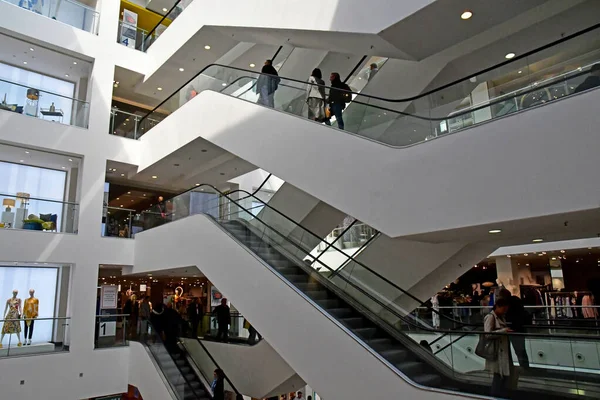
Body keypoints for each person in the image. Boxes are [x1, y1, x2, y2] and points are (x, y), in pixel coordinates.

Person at [484, 297, 513, 398]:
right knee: (498, 375)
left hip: (503, 350)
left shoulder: (500, 317)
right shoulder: (490, 317)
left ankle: (500, 395)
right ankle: (496, 396)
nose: (505, 311)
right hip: (496, 351)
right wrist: (503, 331)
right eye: (504, 309)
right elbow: (487, 334)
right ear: (498, 307)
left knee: (502, 375)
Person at [499, 289, 530, 369]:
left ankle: (510, 368)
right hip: (519, 329)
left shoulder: (507, 304)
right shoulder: (517, 301)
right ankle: (525, 367)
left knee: (510, 350)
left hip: (512, 329)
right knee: (521, 350)